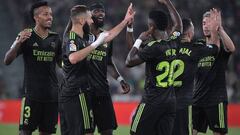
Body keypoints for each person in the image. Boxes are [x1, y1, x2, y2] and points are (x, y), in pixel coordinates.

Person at [59, 4, 134, 135]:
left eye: (102, 11)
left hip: (89, 91)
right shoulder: (75, 38)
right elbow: (73, 58)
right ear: (82, 20)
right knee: (83, 131)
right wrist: (95, 44)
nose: (92, 20)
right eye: (90, 16)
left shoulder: (83, 38)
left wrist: (125, 21)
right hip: (75, 92)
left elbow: (109, 36)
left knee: (96, 130)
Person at [4, 1, 61, 135]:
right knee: (25, 132)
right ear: (36, 17)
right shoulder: (25, 35)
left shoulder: (56, 38)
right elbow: (7, 60)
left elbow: (61, 63)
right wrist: (18, 42)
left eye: (51, 14)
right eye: (45, 14)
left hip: (52, 96)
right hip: (31, 95)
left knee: (47, 132)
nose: (50, 17)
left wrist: (70, 65)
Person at [125, 0, 182, 134]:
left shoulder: (153, 48)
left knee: (135, 132)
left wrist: (139, 39)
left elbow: (129, 60)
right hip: (170, 102)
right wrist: (168, 2)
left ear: (151, 26)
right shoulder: (173, 41)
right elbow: (178, 24)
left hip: (152, 101)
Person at [87, 2, 130, 135]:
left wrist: (120, 79)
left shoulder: (107, 37)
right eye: (97, 11)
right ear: (89, 15)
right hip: (85, 91)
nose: (101, 13)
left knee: (108, 131)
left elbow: (109, 63)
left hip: (102, 91)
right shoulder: (80, 36)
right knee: (87, 131)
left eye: (102, 11)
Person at [172, 17, 220, 135]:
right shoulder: (195, 49)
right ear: (189, 33)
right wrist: (215, 28)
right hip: (184, 103)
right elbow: (215, 48)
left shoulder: (169, 47)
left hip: (166, 102)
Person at [192, 9, 236, 135]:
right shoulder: (199, 45)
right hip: (197, 99)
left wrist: (220, 30)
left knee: (218, 133)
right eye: (204, 23)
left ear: (215, 24)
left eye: (209, 23)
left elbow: (232, 48)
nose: (205, 26)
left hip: (216, 100)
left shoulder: (221, 47)